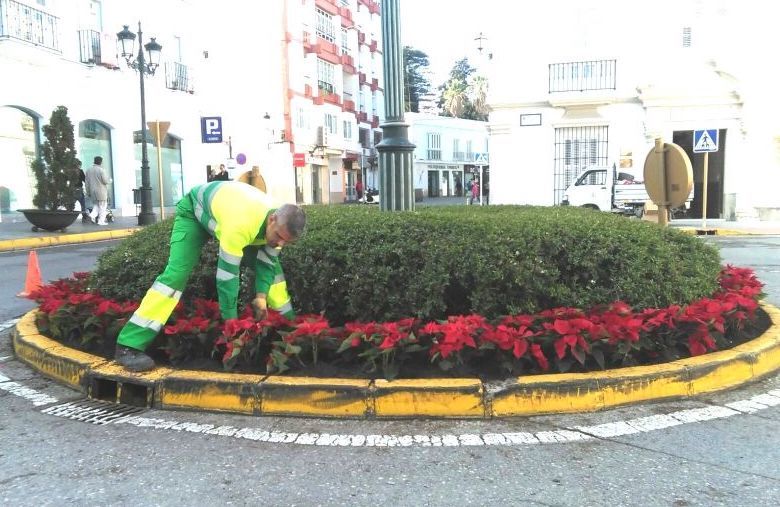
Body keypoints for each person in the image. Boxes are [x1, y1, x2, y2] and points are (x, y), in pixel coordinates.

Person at [114, 180, 307, 372]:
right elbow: (227, 275)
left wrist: (261, 297)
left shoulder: (278, 227)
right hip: (195, 213)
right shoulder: (242, 224)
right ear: (272, 219)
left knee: (275, 274)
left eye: (286, 241)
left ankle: (289, 328)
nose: (280, 243)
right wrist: (231, 323)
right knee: (175, 277)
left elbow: (267, 264)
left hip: (228, 215)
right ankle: (129, 345)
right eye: (278, 236)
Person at [85, 156, 110, 225]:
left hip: (93, 191)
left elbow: (86, 183)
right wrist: (110, 180)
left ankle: (91, 216)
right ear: (101, 162)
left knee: (96, 206)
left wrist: (88, 192)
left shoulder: (88, 170)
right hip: (101, 192)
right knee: (102, 207)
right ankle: (101, 221)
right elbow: (105, 181)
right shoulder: (101, 170)